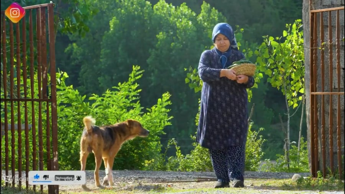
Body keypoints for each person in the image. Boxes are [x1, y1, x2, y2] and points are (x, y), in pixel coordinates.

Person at [196, 23, 255, 188]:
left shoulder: (238, 56)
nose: (222, 42)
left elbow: (250, 79)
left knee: (235, 143)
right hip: (214, 109)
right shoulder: (207, 55)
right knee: (216, 144)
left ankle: (237, 178)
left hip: (235, 108)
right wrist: (223, 72)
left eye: (225, 38)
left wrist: (246, 79)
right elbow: (203, 72)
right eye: (218, 39)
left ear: (231, 39)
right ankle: (222, 179)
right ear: (214, 41)